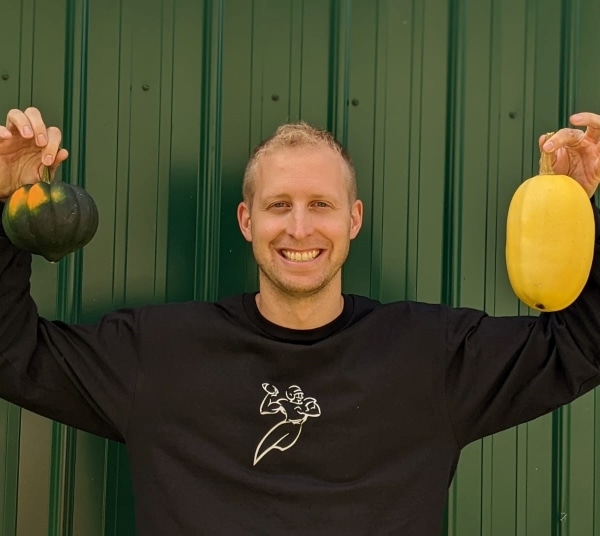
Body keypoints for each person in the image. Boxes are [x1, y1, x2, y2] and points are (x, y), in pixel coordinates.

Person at [0, 106, 599, 535]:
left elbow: (583, 345)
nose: (300, 228)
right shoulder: (158, 351)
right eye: (279, 206)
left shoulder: (431, 354)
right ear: (246, 220)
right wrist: (7, 203)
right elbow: (12, 355)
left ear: (354, 219)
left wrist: (586, 206)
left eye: (321, 205)